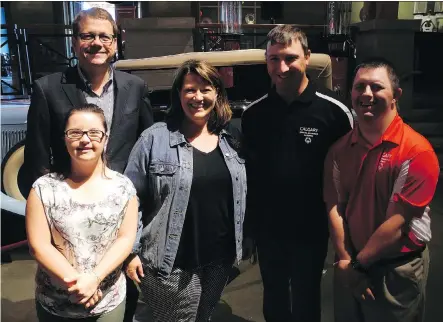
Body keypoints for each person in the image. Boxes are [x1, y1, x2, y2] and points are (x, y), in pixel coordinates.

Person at [22, 8, 154, 321]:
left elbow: (146, 150)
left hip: (119, 223)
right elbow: (37, 160)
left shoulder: (135, 88)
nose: (96, 42)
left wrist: (135, 235)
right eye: (87, 35)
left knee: (122, 305)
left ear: (116, 42)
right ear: (74, 42)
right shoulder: (48, 89)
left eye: (104, 36)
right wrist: (61, 247)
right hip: (68, 227)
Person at [241, 25, 354, 322]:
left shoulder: (335, 113)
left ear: (307, 57)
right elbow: (251, 177)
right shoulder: (254, 115)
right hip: (269, 230)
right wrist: (249, 230)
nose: (281, 67)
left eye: (290, 58)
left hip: (312, 229)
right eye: (273, 59)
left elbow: (350, 176)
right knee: (274, 299)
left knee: (306, 300)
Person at [123, 59, 248, 322]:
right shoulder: (154, 139)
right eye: (190, 89)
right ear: (178, 94)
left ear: (217, 93)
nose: (198, 97)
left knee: (204, 316)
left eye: (206, 89)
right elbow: (129, 198)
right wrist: (131, 251)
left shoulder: (231, 138)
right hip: (170, 261)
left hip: (219, 256)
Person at [323, 58, 440, 322]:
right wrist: (344, 260)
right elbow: (335, 207)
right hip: (349, 264)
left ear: (396, 95)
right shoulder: (339, 150)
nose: (366, 94)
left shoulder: (416, 151)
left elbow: (397, 225)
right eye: (359, 87)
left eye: (376, 87)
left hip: (396, 270)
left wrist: (355, 266)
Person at [26, 104, 138, 321]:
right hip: (56, 303)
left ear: (106, 138)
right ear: (65, 138)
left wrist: (94, 279)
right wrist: (80, 284)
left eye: (94, 133)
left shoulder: (124, 187)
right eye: (75, 133)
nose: (85, 140)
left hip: (107, 300)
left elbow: (125, 239)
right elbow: (38, 246)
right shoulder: (43, 188)